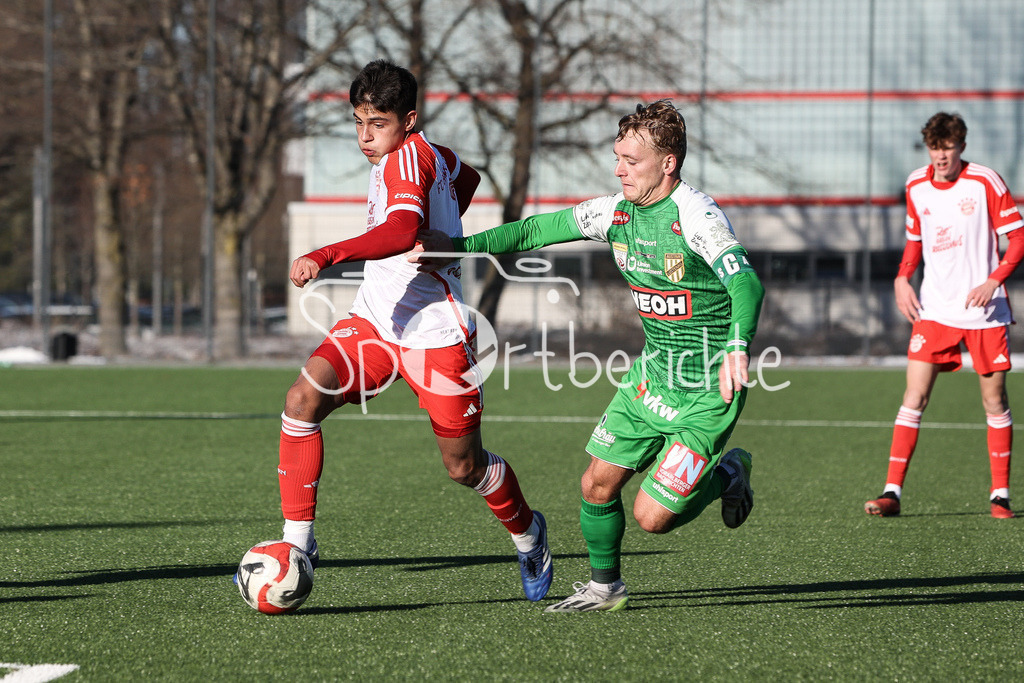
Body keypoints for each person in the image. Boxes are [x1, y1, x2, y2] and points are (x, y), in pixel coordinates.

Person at [410, 100, 765, 612]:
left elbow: (745, 283)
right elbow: (533, 231)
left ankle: (729, 475)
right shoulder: (614, 212)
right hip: (651, 378)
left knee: (652, 518)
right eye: (617, 157)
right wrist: (459, 246)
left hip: (708, 389)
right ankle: (605, 588)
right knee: (596, 484)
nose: (619, 168)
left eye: (632, 160)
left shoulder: (695, 216)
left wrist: (736, 345)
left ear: (668, 163)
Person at [270, 60, 552, 601]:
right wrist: (441, 231)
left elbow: (400, 229)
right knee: (302, 401)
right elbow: (461, 180)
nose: (364, 136)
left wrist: (327, 254)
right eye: (357, 122)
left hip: (437, 335)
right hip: (376, 321)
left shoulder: (405, 160)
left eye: (376, 123)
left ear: (409, 119)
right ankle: (298, 545)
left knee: (464, 466)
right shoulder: (432, 154)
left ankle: (528, 533)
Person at [865, 112, 1024, 520]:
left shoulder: (986, 181)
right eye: (934, 147)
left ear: (961, 147)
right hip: (934, 310)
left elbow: (1018, 239)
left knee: (994, 399)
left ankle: (1000, 495)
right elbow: (914, 241)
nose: (940, 155)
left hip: (985, 312)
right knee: (913, 397)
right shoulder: (916, 184)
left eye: (948, 147)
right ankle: (891, 493)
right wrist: (902, 278)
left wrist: (994, 280)